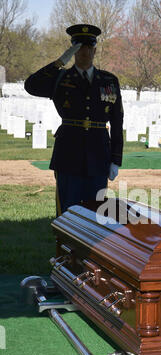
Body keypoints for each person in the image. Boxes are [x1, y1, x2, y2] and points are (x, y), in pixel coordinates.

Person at [24, 24, 124, 216]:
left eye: (88, 47)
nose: (84, 52)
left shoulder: (109, 80)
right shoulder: (60, 78)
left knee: (95, 213)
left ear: (94, 50)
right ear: (73, 50)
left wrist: (115, 159)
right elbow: (31, 85)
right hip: (68, 155)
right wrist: (61, 61)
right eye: (79, 47)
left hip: (98, 156)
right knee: (67, 212)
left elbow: (117, 122)